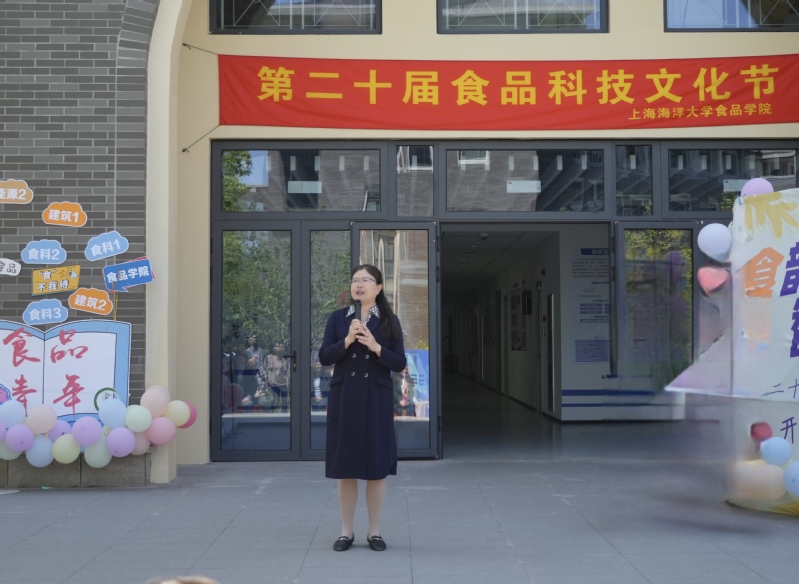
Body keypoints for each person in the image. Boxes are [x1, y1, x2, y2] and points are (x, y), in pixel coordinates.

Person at [319, 264, 406, 552]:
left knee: (376, 468)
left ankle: (374, 532)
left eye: (366, 280)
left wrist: (375, 346)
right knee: (347, 467)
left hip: (376, 399)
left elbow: (400, 362)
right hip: (346, 398)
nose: (359, 284)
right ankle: (346, 532)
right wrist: (347, 340)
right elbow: (324, 356)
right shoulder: (338, 318)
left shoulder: (389, 321)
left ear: (378, 287)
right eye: (355, 280)